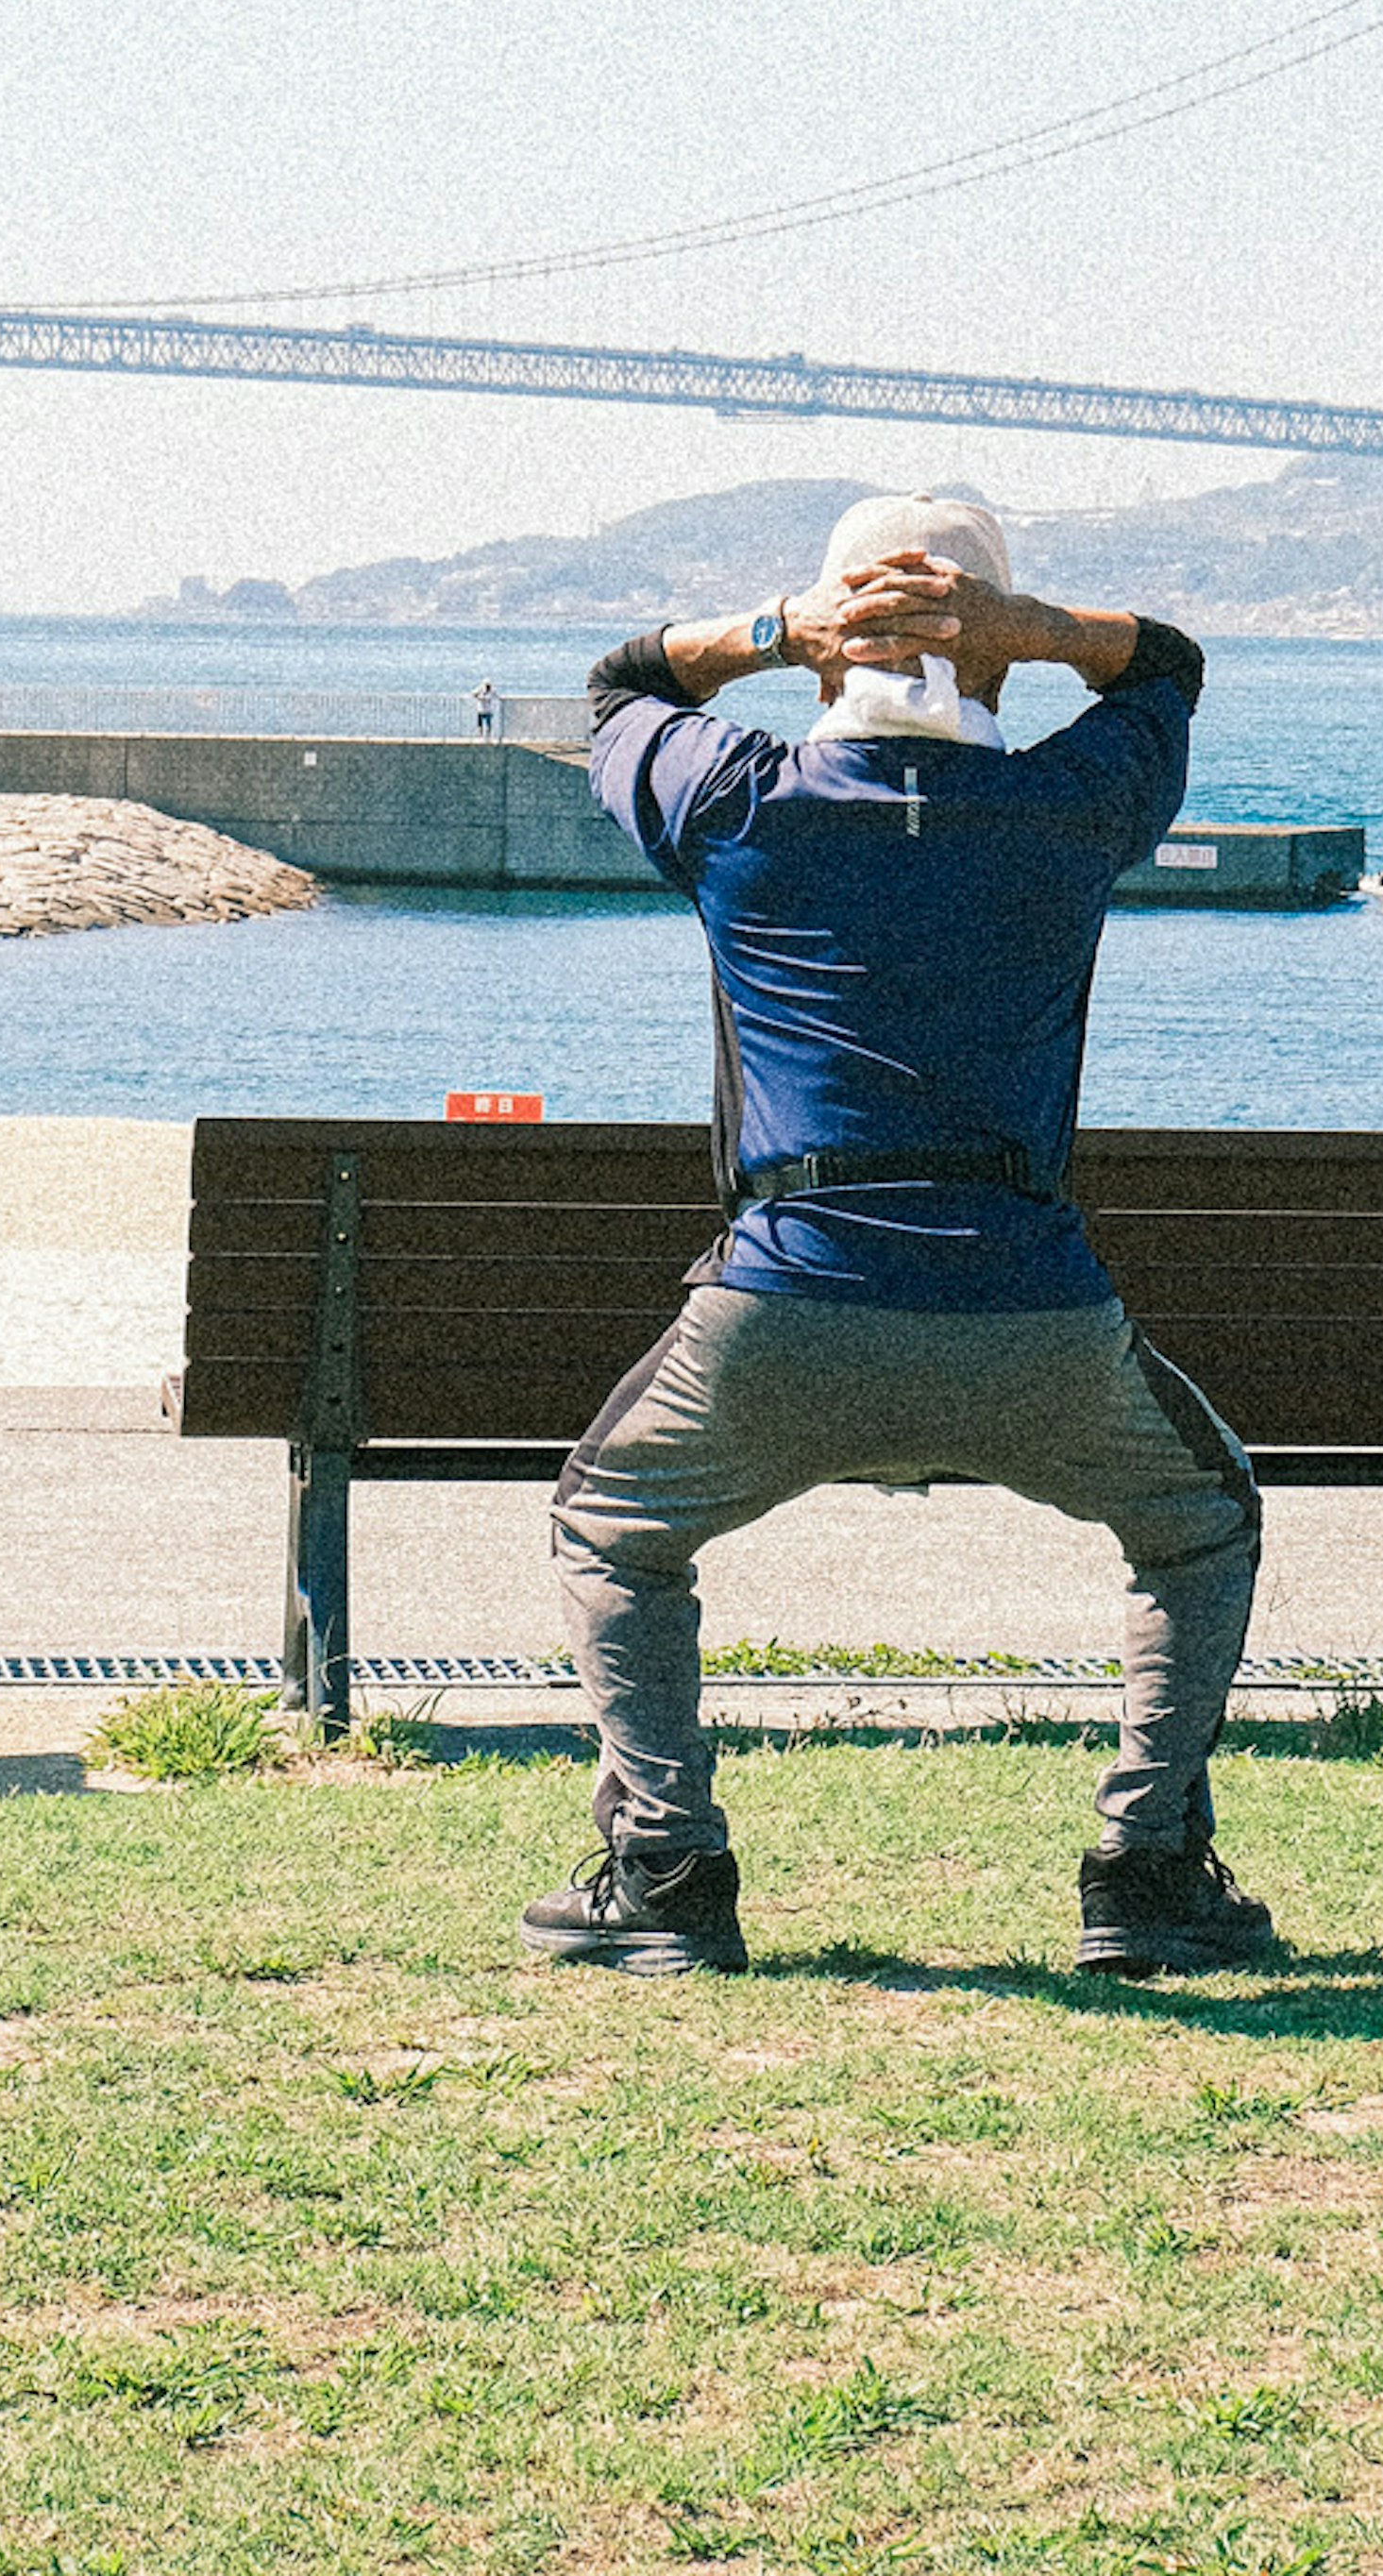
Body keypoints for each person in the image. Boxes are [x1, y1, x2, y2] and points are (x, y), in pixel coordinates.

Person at [523, 487, 1276, 1983]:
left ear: (820, 656)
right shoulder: (1076, 806)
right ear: (992, 661)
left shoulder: (735, 800)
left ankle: (666, 1870)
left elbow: (616, 685)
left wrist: (767, 634)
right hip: (1032, 1319)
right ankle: (1147, 1868)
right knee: (1205, 1520)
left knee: (613, 1525)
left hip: (784, 1309)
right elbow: (1170, 667)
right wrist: (1040, 634)